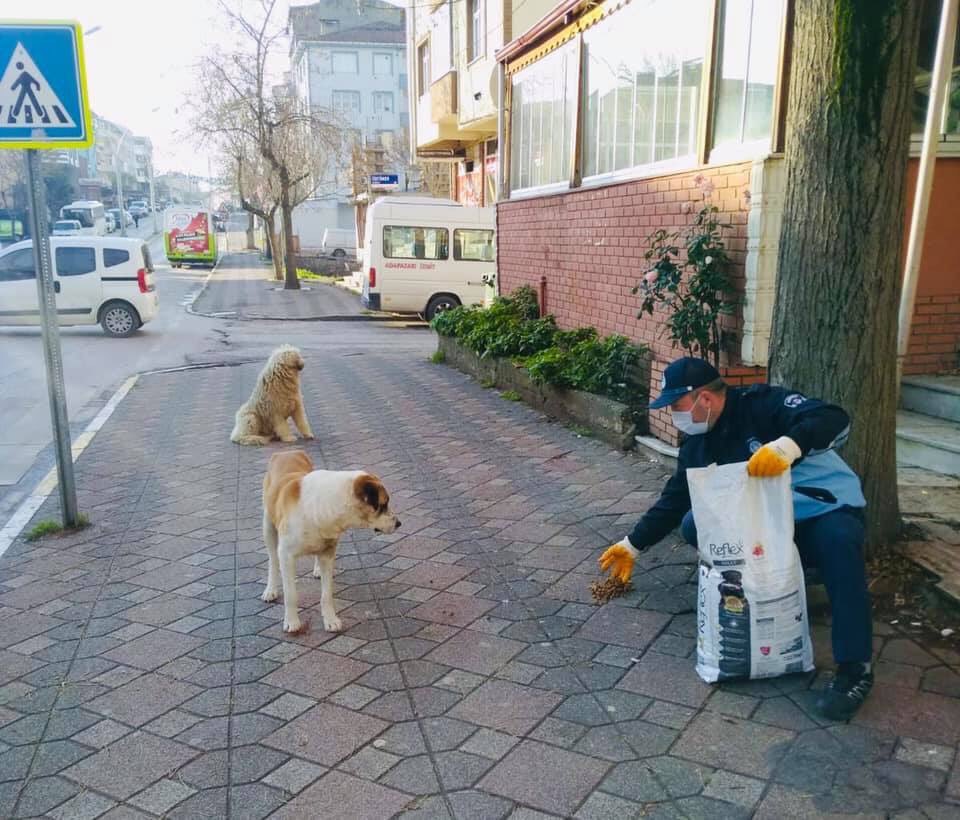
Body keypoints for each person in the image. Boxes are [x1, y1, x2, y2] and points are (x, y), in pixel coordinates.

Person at [600, 356, 873, 721]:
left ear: (705, 399)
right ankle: (764, 590)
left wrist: (789, 445)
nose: (674, 416)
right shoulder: (697, 444)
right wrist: (632, 544)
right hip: (762, 525)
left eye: (677, 406)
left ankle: (855, 668)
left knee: (840, 541)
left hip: (818, 512)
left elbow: (833, 417)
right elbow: (675, 497)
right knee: (694, 523)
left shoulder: (763, 405)